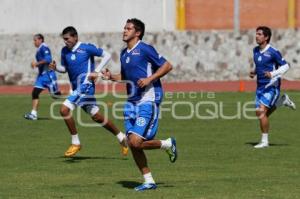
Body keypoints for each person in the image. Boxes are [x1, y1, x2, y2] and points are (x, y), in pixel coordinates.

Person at [102, 18, 177, 191]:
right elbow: (125, 75)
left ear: (138, 33)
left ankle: (167, 144)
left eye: (128, 28)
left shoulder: (145, 49)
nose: (124, 30)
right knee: (132, 143)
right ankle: (148, 181)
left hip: (148, 99)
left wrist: (150, 79)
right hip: (131, 102)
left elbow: (167, 66)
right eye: (124, 27)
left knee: (135, 142)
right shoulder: (123, 53)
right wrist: (111, 77)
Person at [49, 26, 128, 157]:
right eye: (64, 39)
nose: (65, 42)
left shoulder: (86, 48)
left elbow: (107, 55)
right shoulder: (64, 51)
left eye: (68, 39)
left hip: (85, 86)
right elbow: (65, 69)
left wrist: (96, 72)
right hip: (77, 89)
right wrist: (56, 67)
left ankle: (76, 143)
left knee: (63, 110)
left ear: (75, 37)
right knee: (96, 116)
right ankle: (121, 137)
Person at [250, 26, 296, 149]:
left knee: (261, 112)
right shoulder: (255, 50)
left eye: (259, 34)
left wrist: (272, 74)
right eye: (256, 34)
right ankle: (282, 102)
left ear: (266, 37)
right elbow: (259, 64)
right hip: (260, 86)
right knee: (261, 114)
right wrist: (254, 72)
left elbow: (286, 66)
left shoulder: (273, 52)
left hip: (272, 86)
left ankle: (265, 142)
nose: (256, 36)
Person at [24, 34, 62, 120]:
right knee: (35, 93)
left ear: (40, 40)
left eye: (35, 40)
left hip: (49, 76)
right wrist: (36, 65)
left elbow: (48, 59)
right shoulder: (39, 49)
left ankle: (72, 94)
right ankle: (33, 114)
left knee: (55, 96)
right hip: (42, 76)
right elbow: (43, 62)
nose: (34, 42)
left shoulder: (44, 47)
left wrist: (36, 64)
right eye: (34, 40)